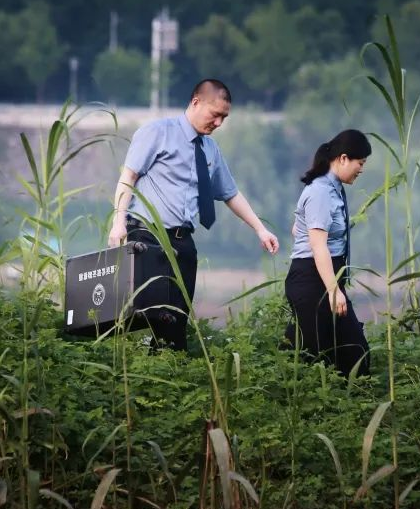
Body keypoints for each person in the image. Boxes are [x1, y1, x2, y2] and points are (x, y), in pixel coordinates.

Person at [108, 79, 279, 350]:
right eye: (215, 115)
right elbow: (128, 177)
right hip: (149, 236)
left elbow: (230, 193)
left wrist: (260, 229)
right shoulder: (158, 132)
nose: (219, 123)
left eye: (224, 117)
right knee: (150, 314)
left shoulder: (210, 149)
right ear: (196, 102)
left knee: (176, 321)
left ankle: (167, 369)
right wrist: (118, 224)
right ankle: (140, 368)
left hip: (183, 242)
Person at [284, 129, 371, 377]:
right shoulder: (321, 191)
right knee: (318, 357)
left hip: (323, 276)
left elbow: (297, 229)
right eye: (360, 163)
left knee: (352, 351)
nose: (361, 169)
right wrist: (333, 289)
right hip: (313, 280)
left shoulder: (330, 189)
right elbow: (317, 245)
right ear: (343, 158)